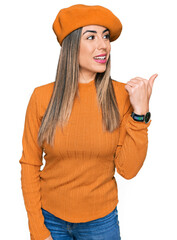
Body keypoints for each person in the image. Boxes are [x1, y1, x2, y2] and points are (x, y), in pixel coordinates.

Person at [19, 4, 158, 240]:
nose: (103, 45)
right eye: (91, 36)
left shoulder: (122, 95)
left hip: (101, 224)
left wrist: (140, 114)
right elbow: (30, 165)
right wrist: (38, 230)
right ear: (72, 45)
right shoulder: (41, 98)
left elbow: (128, 170)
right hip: (49, 218)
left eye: (105, 36)